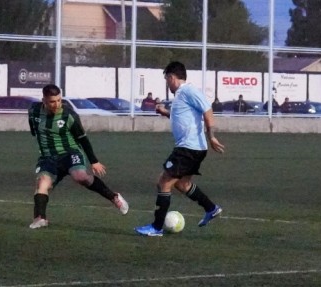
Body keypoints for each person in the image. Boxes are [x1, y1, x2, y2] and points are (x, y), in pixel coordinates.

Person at [135, 61, 225, 237]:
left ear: (171, 77)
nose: (167, 84)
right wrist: (165, 113)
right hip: (192, 148)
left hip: (188, 148)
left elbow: (207, 110)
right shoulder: (181, 96)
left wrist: (211, 135)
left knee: (164, 182)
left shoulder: (188, 91)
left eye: (167, 80)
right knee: (182, 184)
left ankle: (156, 227)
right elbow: (184, 116)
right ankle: (211, 208)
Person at [27, 84, 129, 229]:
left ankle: (114, 197)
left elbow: (82, 138)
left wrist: (94, 161)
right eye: (52, 101)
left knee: (80, 176)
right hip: (48, 158)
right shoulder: (34, 111)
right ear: (44, 100)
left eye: (59, 100)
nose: (56, 104)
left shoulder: (69, 115)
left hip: (70, 153)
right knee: (42, 183)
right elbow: (33, 128)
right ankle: (40, 218)